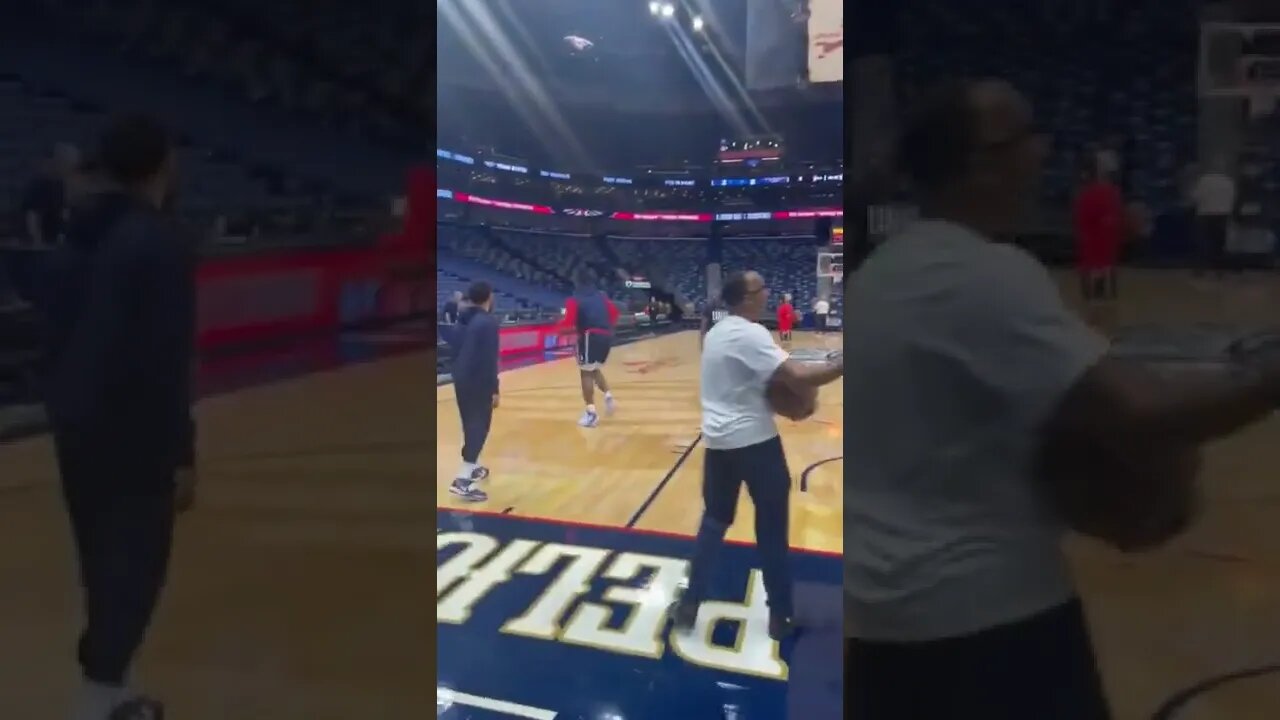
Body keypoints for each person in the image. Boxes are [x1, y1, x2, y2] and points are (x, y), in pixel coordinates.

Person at [843, 78, 1280, 719]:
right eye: (1027, 135)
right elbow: (1149, 418)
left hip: (881, 634)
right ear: (981, 163)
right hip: (995, 629)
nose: (1044, 150)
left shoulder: (873, 277)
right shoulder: (984, 273)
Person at [42, 116, 195, 720]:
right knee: (137, 562)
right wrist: (182, 449)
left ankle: (113, 687)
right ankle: (100, 696)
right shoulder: (158, 241)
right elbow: (166, 357)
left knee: (99, 556)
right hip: (132, 426)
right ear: (161, 165)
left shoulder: (78, 232)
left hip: (76, 421)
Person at [668, 270, 843, 640]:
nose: (767, 291)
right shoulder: (750, 334)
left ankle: (689, 606)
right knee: (772, 530)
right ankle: (781, 616)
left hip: (717, 443)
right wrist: (844, 364)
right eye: (761, 287)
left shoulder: (717, 332)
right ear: (746, 298)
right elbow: (799, 375)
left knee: (714, 523)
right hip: (755, 442)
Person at [447, 281, 500, 502]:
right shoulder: (487, 323)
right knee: (480, 426)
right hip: (478, 379)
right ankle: (462, 480)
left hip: (460, 377)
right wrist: (494, 388)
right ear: (489, 297)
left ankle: (474, 466)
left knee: (469, 423)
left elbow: (453, 347)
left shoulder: (463, 320)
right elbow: (489, 359)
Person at [557, 271, 619, 427]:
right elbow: (615, 313)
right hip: (606, 336)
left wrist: (558, 326)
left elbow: (568, 324)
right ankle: (608, 396)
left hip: (589, 336)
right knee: (594, 368)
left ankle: (591, 414)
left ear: (577, 283)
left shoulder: (575, 299)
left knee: (585, 372)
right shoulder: (602, 297)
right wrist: (605, 326)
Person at [1073, 162, 1125, 330]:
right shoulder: (1110, 192)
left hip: (1093, 232)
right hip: (1103, 232)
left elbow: (1081, 216)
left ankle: (1092, 295)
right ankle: (1104, 294)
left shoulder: (1086, 194)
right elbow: (1115, 213)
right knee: (1104, 264)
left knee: (1092, 265)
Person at [19, 143, 79, 246]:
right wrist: (37, 241)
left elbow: (68, 212)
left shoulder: (67, 184)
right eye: (66, 162)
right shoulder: (38, 185)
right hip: (45, 243)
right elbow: (32, 216)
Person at [1191, 161, 1236, 276]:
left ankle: (1200, 269)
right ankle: (1219, 270)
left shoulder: (1204, 181)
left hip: (1205, 214)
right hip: (1222, 215)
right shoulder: (1228, 182)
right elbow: (1232, 199)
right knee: (1219, 244)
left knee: (1203, 243)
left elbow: (1196, 197)